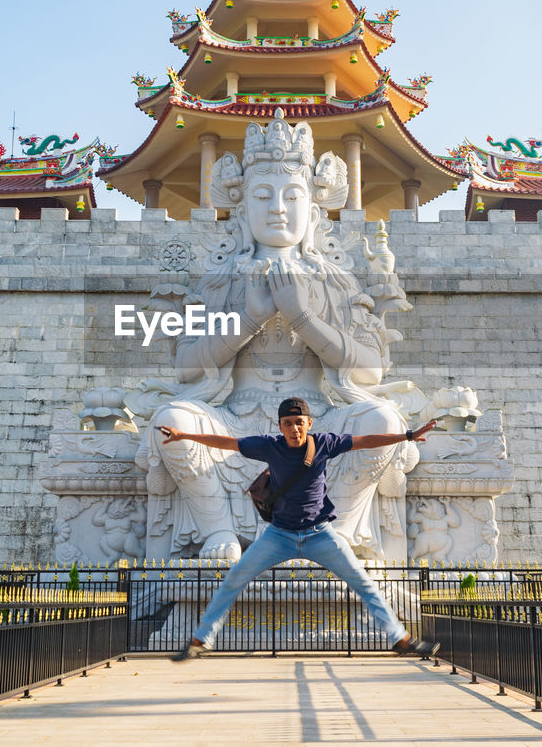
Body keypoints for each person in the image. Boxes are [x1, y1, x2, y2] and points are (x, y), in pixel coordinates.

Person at [131, 108, 421, 564]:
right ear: (243, 208)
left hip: (318, 424)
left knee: (382, 421)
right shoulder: (221, 278)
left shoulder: (334, 280)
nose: (278, 208)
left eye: (292, 196)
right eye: (263, 196)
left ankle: (336, 530)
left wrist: (304, 318)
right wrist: (248, 319)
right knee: (176, 419)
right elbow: (187, 366)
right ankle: (217, 531)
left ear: (314, 208)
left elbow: (370, 369)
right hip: (233, 419)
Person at [160, 396, 440, 661]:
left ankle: (400, 639)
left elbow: (365, 441)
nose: (294, 429)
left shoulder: (326, 443)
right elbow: (228, 443)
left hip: (320, 535)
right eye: (288, 424)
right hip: (279, 535)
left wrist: (407, 436)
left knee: (363, 583)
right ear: (280, 426)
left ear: (309, 423)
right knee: (235, 579)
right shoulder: (271, 446)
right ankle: (200, 641)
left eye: (299, 422)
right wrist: (184, 436)